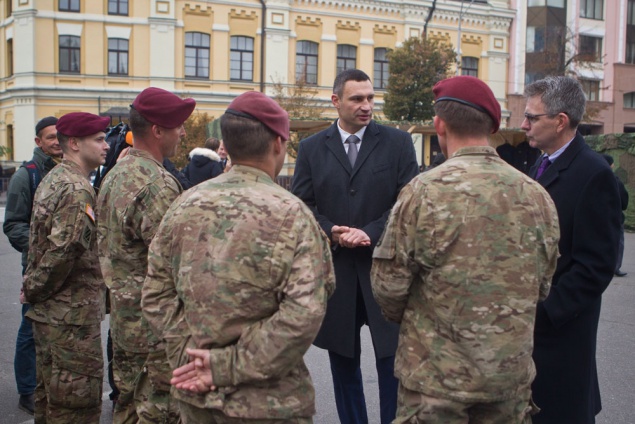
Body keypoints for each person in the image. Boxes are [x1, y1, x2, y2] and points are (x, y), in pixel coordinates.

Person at [370, 75, 560, 423]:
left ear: (438, 125)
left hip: (435, 383)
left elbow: (388, 287)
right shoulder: (537, 196)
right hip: (507, 382)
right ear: (492, 126)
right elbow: (543, 285)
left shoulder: (422, 192)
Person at [141, 91, 335, 423]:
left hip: (196, 397)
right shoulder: (292, 214)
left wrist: (192, 356)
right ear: (278, 143)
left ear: (227, 146)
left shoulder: (184, 204)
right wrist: (225, 366)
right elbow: (305, 312)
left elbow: (156, 294)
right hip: (266, 403)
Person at [291, 68, 419, 424]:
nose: (366, 106)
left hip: (384, 272)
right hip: (338, 274)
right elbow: (302, 205)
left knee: (391, 362)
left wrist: (370, 232)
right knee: (343, 363)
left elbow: (406, 202)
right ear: (336, 101)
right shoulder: (312, 148)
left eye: (370, 98)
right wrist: (331, 230)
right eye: (357, 98)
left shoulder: (397, 143)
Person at [522, 76, 622, 424]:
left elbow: (597, 264)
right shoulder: (542, 162)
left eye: (532, 117)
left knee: (561, 412)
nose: (524, 125)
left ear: (560, 121)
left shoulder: (593, 173)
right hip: (534, 332)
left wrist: (546, 312)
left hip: (561, 333)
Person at [96, 87, 195, 424]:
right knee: (159, 412)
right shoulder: (156, 184)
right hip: (156, 331)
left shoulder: (115, 175)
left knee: (127, 406)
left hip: (126, 323)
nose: (182, 132)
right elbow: (180, 265)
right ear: (157, 130)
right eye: (178, 125)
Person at [23, 112, 110, 423]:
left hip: (53, 315)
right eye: (99, 140)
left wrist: (33, 286)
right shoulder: (77, 189)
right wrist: (34, 288)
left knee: (49, 402)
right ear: (74, 143)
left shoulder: (57, 178)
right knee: (75, 409)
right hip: (70, 318)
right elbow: (63, 252)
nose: (106, 146)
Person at [3, 116, 62, 415]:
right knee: (30, 328)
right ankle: (27, 389)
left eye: (60, 136)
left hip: (63, 267)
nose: (57, 141)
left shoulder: (68, 170)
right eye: (51, 137)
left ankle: (49, 385)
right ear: (39, 141)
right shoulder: (25, 176)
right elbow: (13, 224)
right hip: (38, 266)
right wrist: (43, 249)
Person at [602, 154, 629, 277]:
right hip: (615, 217)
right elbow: (624, 201)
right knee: (618, 242)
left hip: (598, 217)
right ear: (611, 164)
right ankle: (615, 267)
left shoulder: (591, 178)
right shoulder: (615, 180)